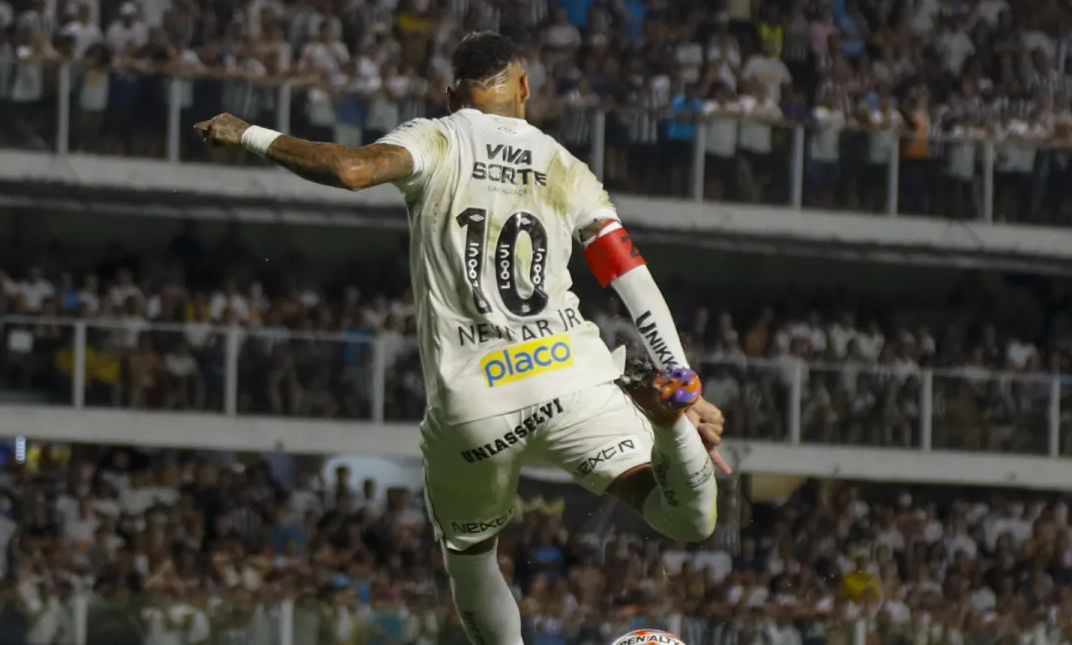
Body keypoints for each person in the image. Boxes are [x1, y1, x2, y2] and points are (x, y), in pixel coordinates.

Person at [195, 31, 727, 645]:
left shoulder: (436, 137)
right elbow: (626, 273)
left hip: (475, 402)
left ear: (452, 96)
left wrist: (248, 132)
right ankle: (667, 422)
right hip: (570, 376)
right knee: (687, 520)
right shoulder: (566, 165)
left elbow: (349, 169)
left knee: (470, 556)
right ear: (524, 87)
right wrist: (680, 378)